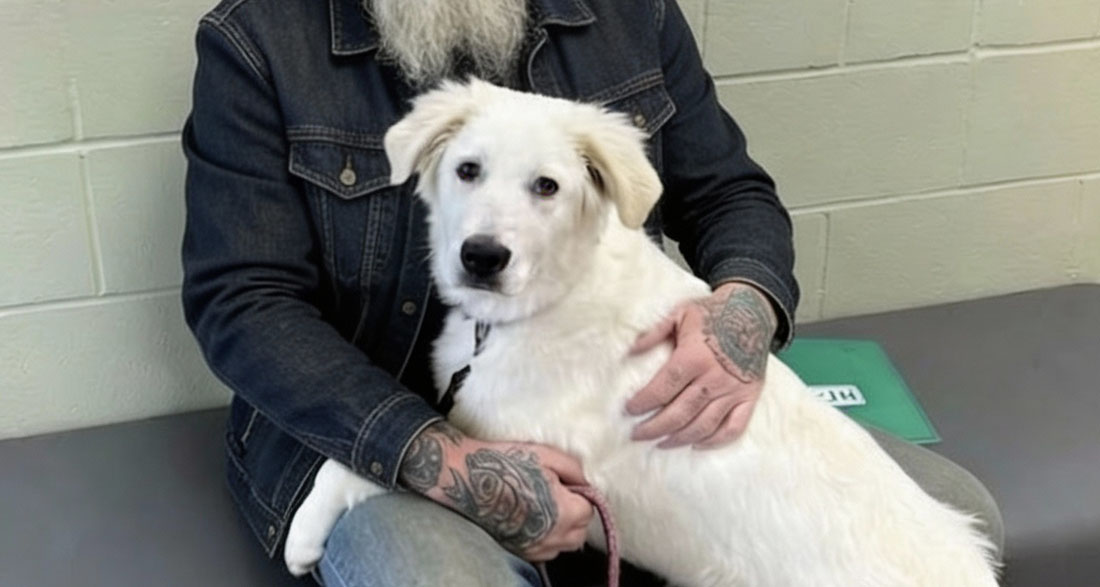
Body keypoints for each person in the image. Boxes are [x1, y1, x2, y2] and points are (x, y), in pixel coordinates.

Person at [181, 0, 1004, 585]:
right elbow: (243, 305)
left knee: (958, 515)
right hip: (365, 429)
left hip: (601, 393)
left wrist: (739, 318)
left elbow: (728, 195)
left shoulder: (627, 12)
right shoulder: (259, 42)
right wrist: (432, 456)